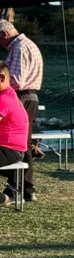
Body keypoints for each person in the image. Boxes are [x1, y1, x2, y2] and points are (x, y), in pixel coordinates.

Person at [0, 19, 43, 203]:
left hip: (22, 97)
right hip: (29, 97)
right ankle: (22, 189)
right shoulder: (27, 45)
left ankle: (21, 190)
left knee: (20, 145)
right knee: (23, 144)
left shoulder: (19, 48)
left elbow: (15, 79)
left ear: (4, 34)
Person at [0, 64, 30, 204]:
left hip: (10, 150)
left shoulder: (4, 99)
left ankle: (7, 196)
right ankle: (10, 194)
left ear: (1, 78)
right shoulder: (8, 93)